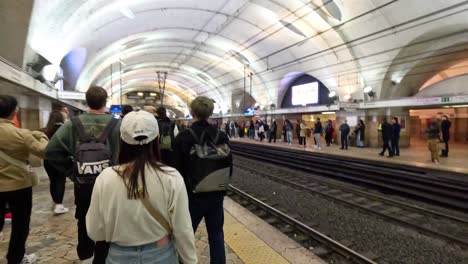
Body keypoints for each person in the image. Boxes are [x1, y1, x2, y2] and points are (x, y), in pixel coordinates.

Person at [86, 110, 197, 264]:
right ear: (157, 139)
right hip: (161, 254)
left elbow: (94, 230)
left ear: (122, 140)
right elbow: (183, 229)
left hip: (119, 257)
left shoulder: (105, 178)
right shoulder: (172, 177)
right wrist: (190, 261)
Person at [46, 86, 121, 264]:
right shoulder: (116, 124)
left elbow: (51, 151)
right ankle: (106, 256)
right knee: (110, 220)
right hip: (111, 184)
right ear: (105, 101)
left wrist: (73, 172)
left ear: (86, 102)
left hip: (83, 184)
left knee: (84, 220)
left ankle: (86, 256)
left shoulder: (72, 124)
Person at [173, 96, 231, 264]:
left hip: (191, 196)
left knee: (186, 235)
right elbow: (228, 164)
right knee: (217, 235)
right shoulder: (221, 135)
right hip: (216, 193)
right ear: (210, 112)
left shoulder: (184, 137)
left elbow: (176, 170)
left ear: (192, 112)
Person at [0, 95, 49, 264]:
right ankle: (15, 258)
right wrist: (41, 135)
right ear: (14, 112)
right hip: (19, 186)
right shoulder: (20, 134)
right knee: (20, 225)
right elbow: (43, 151)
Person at [42, 111, 69, 215]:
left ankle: (56, 201)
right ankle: (59, 205)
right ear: (61, 118)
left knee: (53, 181)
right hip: (61, 159)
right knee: (60, 181)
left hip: (47, 160)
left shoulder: (45, 130)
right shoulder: (65, 129)